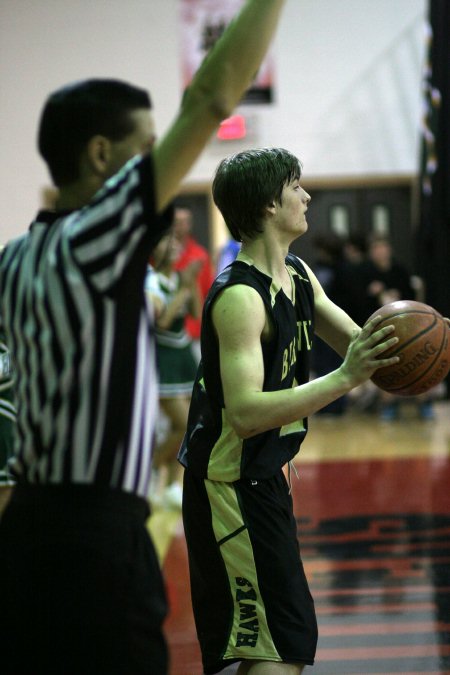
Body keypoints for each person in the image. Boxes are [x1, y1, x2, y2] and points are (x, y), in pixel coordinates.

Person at [0, 3, 287, 674]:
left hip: (23, 528)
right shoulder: (98, 235)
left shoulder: (13, 257)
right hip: (95, 534)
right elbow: (213, 97)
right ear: (102, 155)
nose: (162, 157)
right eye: (148, 144)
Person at [178, 147, 400, 674]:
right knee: (278, 643)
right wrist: (347, 376)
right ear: (267, 206)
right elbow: (248, 413)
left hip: (261, 477)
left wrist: (416, 345)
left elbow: (365, 343)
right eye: (295, 186)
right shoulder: (240, 298)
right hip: (227, 484)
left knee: (288, 637)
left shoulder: (298, 275)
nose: (306, 196)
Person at [145, 232, 201, 509]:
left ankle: (170, 485)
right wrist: (183, 290)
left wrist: (192, 285)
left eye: (175, 241)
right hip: (162, 359)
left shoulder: (180, 279)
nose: (174, 244)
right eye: (166, 240)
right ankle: (152, 467)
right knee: (183, 424)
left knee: (189, 427)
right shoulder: (151, 281)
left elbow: (197, 314)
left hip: (184, 356)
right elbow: (164, 321)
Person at [173, 206, 215, 361]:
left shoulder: (200, 255)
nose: (180, 226)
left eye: (184, 222)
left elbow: (208, 292)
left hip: (195, 330)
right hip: (170, 328)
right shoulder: (163, 255)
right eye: (177, 222)